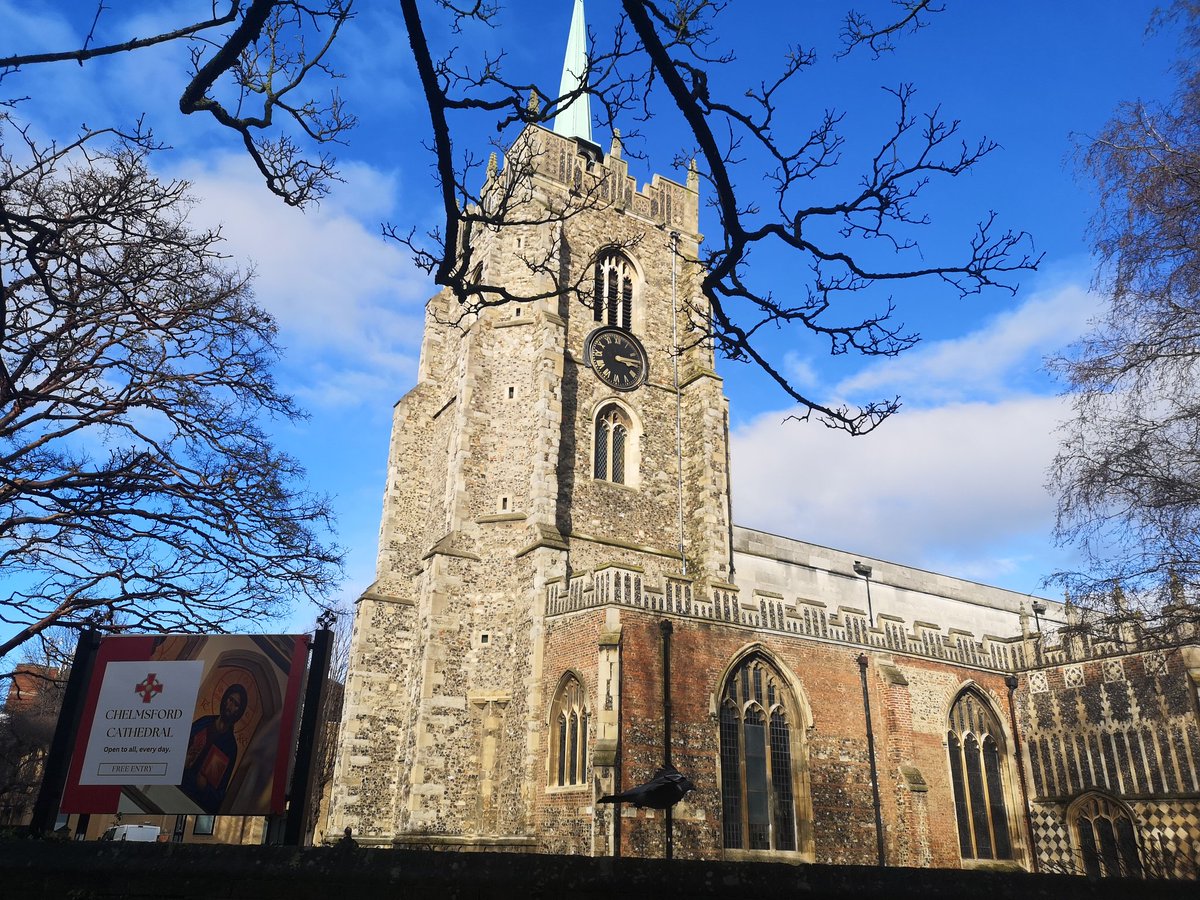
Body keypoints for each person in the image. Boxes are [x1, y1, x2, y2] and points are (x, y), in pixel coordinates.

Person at [180, 683, 247, 813]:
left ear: (239, 712)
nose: (230, 706)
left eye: (236, 704)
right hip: (177, 785)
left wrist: (205, 787)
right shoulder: (205, 722)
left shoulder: (230, 748)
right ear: (225, 699)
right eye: (230, 699)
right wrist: (184, 760)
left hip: (194, 802)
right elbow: (178, 747)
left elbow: (220, 794)